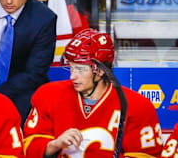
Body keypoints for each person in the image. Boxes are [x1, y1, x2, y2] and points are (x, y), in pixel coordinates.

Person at [23, 28, 163, 157]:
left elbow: (146, 154)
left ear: (101, 70)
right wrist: (55, 144)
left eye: (80, 69)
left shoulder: (137, 106)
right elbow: (28, 147)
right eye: (71, 68)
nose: (72, 76)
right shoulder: (48, 95)